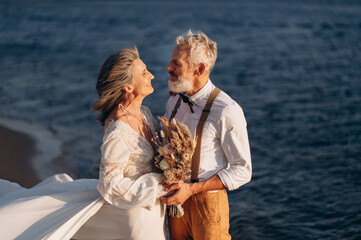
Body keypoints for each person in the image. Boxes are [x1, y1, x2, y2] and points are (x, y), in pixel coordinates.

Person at [0, 46, 167, 240]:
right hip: (135, 216)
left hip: (154, 206)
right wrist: (162, 186)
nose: (152, 76)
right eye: (144, 73)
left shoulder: (144, 113)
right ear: (128, 87)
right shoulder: (118, 131)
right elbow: (110, 186)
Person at [161, 30, 252, 240]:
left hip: (208, 204)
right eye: (171, 61)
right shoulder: (173, 101)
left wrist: (193, 189)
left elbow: (243, 170)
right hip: (176, 202)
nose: (169, 68)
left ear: (199, 69)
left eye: (176, 63)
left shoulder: (227, 110)